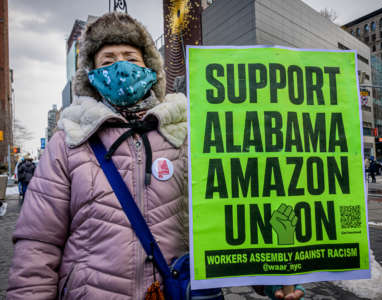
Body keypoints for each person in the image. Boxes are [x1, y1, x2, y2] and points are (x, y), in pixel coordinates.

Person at [7, 13, 303, 300]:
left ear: (150, 68)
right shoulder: (69, 142)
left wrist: (270, 276)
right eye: (107, 60)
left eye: (131, 58)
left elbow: (231, 216)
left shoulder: (190, 135)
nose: (121, 67)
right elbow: (38, 244)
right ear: (92, 76)